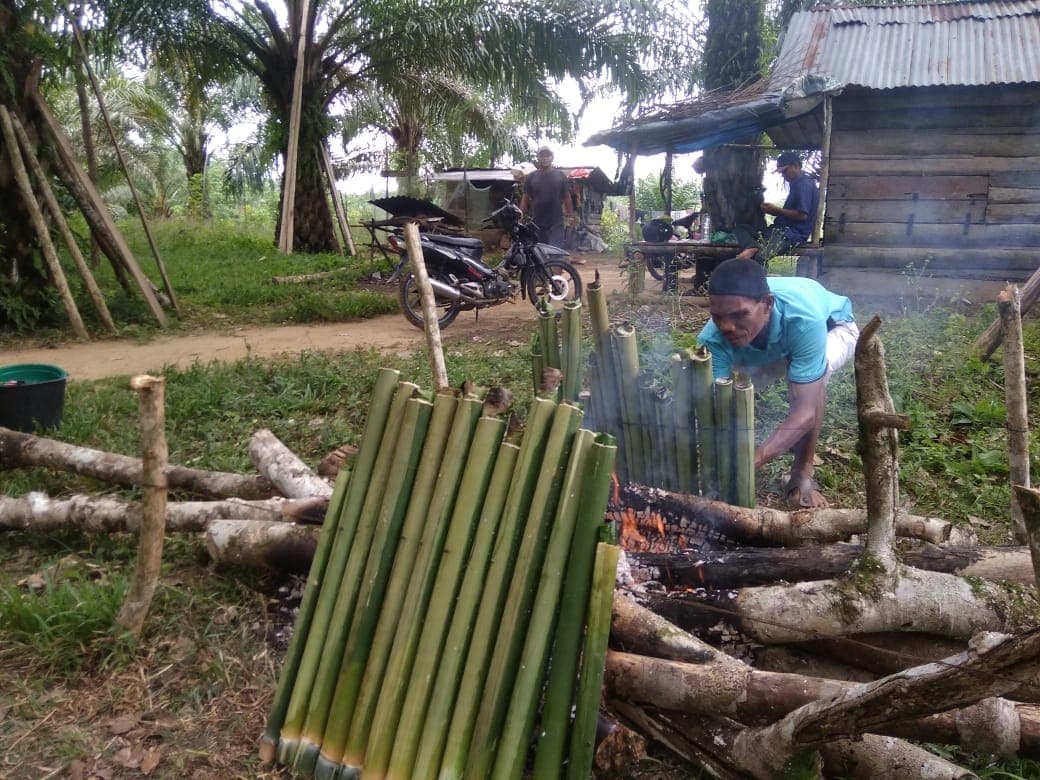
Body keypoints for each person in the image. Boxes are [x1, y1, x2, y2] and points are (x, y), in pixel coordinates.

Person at [697, 257, 859, 509]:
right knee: (729, 393)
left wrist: (755, 458)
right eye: (718, 317)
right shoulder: (714, 338)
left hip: (831, 329)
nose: (727, 326)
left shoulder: (805, 319)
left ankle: (801, 474)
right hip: (769, 343)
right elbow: (717, 401)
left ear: (767, 304)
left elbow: (805, 413)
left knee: (806, 392)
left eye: (739, 315)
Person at [734, 151, 819, 264]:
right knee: (742, 228)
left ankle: (757, 280)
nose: (783, 175)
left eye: (785, 171)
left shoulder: (804, 184)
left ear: (795, 166)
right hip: (779, 230)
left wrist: (776, 210)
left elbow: (802, 215)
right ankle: (751, 247)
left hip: (791, 235)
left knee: (761, 256)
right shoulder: (797, 184)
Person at [519, 146, 576, 253]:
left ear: (552, 157)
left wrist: (571, 216)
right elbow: (525, 199)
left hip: (556, 222)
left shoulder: (560, 176)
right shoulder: (531, 177)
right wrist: (520, 216)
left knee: (556, 253)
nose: (545, 158)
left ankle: (556, 269)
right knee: (539, 254)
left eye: (547, 155)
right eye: (542, 155)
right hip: (537, 223)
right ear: (538, 158)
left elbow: (567, 197)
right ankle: (543, 270)